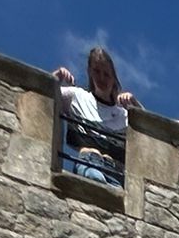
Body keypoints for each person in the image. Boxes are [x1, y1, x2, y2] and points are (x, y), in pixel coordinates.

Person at [53, 48, 139, 184]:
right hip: (89, 162)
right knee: (95, 179)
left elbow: (148, 135)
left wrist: (136, 106)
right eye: (97, 71)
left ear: (114, 78)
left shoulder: (123, 115)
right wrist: (56, 78)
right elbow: (46, 93)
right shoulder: (76, 97)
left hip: (116, 173)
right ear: (90, 72)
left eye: (106, 74)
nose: (102, 78)